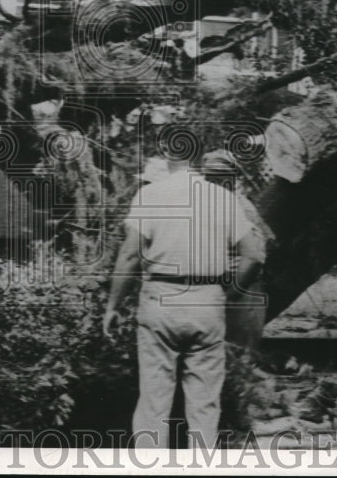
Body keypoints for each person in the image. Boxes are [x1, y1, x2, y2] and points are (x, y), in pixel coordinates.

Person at [103, 150, 265, 449]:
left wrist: (113, 306)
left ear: (168, 162)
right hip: (207, 300)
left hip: (161, 299)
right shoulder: (224, 199)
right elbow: (254, 256)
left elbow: (128, 255)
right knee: (204, 403)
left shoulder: (151, 195)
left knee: (154, 400)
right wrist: (226, 292)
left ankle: (150, 468)